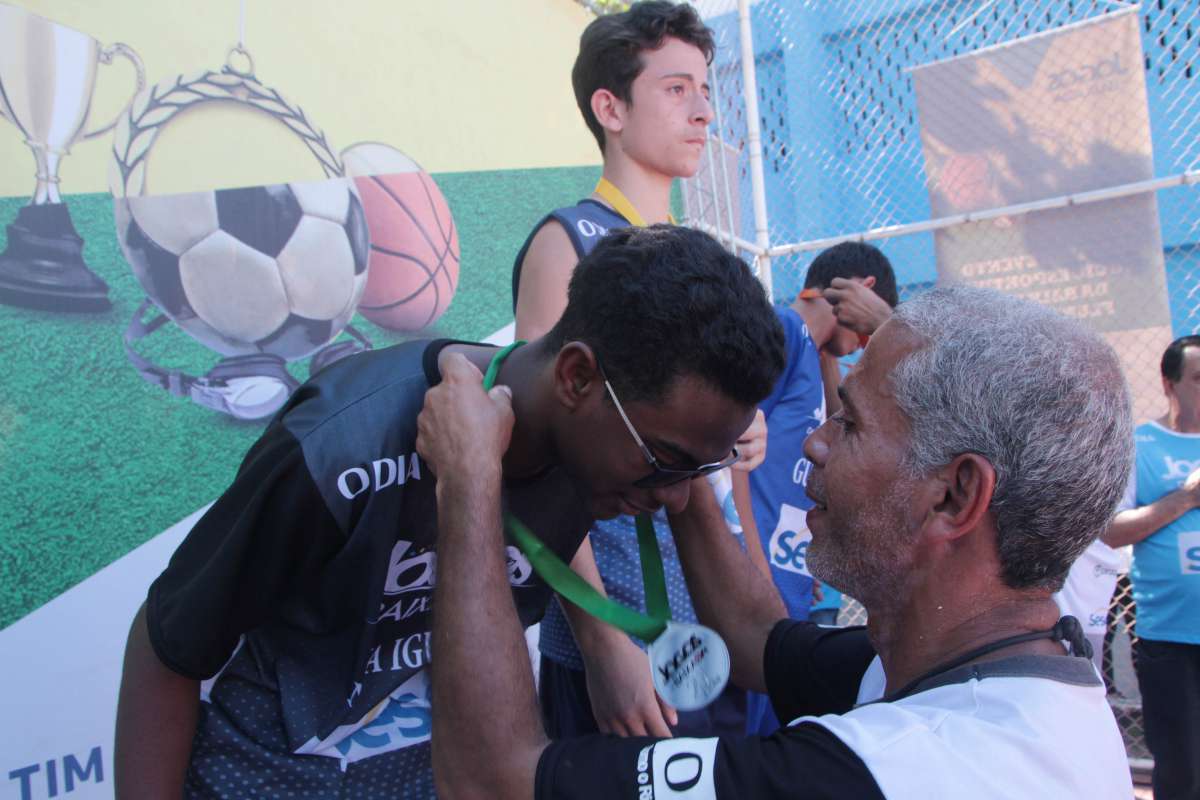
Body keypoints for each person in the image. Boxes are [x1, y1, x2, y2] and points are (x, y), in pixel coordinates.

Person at [112, 225, 785, 799]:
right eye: (665, 461)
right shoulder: (345, 445)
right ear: (577, 378)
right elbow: (167, 643)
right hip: (268, 774)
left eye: (696, 472)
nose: (673, 498)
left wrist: (603, 639)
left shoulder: (598, 461)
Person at [422, 286, 1135, 799]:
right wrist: (690, 466)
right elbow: (760, 643)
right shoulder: (1001, 673)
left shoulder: (887, 772)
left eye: (850, 425)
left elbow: (490, 780)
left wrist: (470, 479)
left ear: (953, 494)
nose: (816, 445)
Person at [512, 1, 762, 740]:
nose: (704, 111)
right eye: (677, 89)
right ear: (609, 107)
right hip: (628, 638)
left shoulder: (699, 255)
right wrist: (599, 642)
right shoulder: (570, 242)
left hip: (710, 623)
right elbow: (537, 461)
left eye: (707, 91)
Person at [744, 242, 897, 734]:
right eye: (863, 338)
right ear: (864, 288)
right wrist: (753, 569)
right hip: (756, 591)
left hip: (783, 587)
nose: (863, 347)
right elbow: (730, 460)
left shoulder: (813, 357)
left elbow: (842, 415)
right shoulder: (783, 333)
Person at [1104, 334, 1200, 799]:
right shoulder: (1141, 445)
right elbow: (1113, 529)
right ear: (1169, 383)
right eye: (1199, 379)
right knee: (1181, 768)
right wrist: (1186, 498)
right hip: (1169, 638)